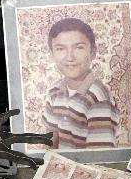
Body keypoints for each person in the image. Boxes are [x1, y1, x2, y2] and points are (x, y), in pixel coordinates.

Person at [41, 18, 121, 149]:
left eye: (78, 47)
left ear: (93, 52)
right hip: (59, 166)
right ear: (52, 54)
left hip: (87, 166)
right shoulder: (54, 91)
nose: (70, 57)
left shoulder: (98, 97)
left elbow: (99, 156)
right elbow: (50, 141)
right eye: (60, 49)